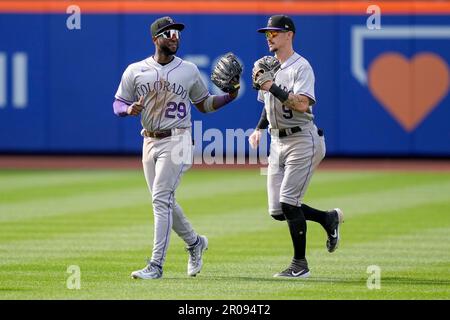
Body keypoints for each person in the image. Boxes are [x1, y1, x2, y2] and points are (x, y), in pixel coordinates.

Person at [113, 16, 239, 279]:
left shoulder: (189, 70)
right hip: (148, 140)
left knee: (160, 199)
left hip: (178, 138)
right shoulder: (135, 70)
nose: (174, 37)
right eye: (168, 33)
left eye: (177, 34)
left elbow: (204, 104)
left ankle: (156, 265)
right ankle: (195, 243)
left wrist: (229, 96)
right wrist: (128, 109)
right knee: (164, 201)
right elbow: (117, 104)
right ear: (155, 38)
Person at [249, 15, 344, 278]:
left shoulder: (302, 67)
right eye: (267, 34)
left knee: (289, 203)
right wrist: (258, 129)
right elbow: (268, 105)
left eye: (274, 33)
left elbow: (302, 104)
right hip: (276, 141)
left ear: (289, 34)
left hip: (303, 140)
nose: (269, 37)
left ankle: (299, 265)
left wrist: (272, 86)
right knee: (278, 211)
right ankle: (328, 218)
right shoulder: (266, 66)